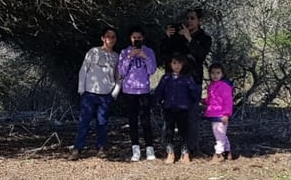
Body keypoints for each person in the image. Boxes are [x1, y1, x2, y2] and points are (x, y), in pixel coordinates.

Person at [72, 26, 121, 159]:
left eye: (113, 37)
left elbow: (119, 76)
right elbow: (84, 69)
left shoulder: (116, 57)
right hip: (89, 93)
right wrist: (81, 90)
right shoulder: (93, 52)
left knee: (102, 122)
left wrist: (114, 93)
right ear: (103, 38)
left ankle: (101, 148)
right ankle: (77, 149)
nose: (110, 39)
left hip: (106, 95)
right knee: (84, 121)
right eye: (108, 36)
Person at [116, 25, 159, 161]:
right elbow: (121, 72)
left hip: (143, 90)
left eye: (139, 38)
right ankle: (135, 149)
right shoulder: (124, 52)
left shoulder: (149, 51)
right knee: (132, 121)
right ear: (130, 39)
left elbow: (152, 70)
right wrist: (129, 57)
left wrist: (144, 56)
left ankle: (150, 149)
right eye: (134, 38)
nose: (136, 40)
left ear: (143, 38)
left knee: (145, 120)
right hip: (129, 91)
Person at [152, 54, 197, 163]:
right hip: (169, 108)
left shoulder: (187, 78)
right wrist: (158, 101)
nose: (177, 66)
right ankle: (170, 152)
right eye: (174, 63)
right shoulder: (166, 78)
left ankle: (185, 152)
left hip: (183, 109)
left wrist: (190, 101)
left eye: (179, 63)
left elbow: (194, 93)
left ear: (183, 64)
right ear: (170, 64)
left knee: (184, 131)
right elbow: (159, 92)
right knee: (169, 131)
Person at [179, 9, 212, 154]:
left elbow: (200, 55)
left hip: (194, 79)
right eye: (187, 18)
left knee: (192, 115)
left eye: (192, 18)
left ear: (199, 21)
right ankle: (176, 147)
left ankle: (192, 147)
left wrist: (190, 40)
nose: (189, 21)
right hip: (177, 80)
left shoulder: (204, 38)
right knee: (177, 115)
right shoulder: (178, 37)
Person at [204, 63, 234, 161]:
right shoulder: (212, 86)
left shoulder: (224, 86)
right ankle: (227, 151)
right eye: (212, 73)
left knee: (219, 134)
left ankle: (218, 154)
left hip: (221, 115)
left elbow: (228, 101)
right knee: (221, 134)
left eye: (218, 73)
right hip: (213, 113)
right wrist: (204, 101)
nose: (215, 75)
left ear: (222, 74)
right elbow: (212, 100)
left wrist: (226, 114)